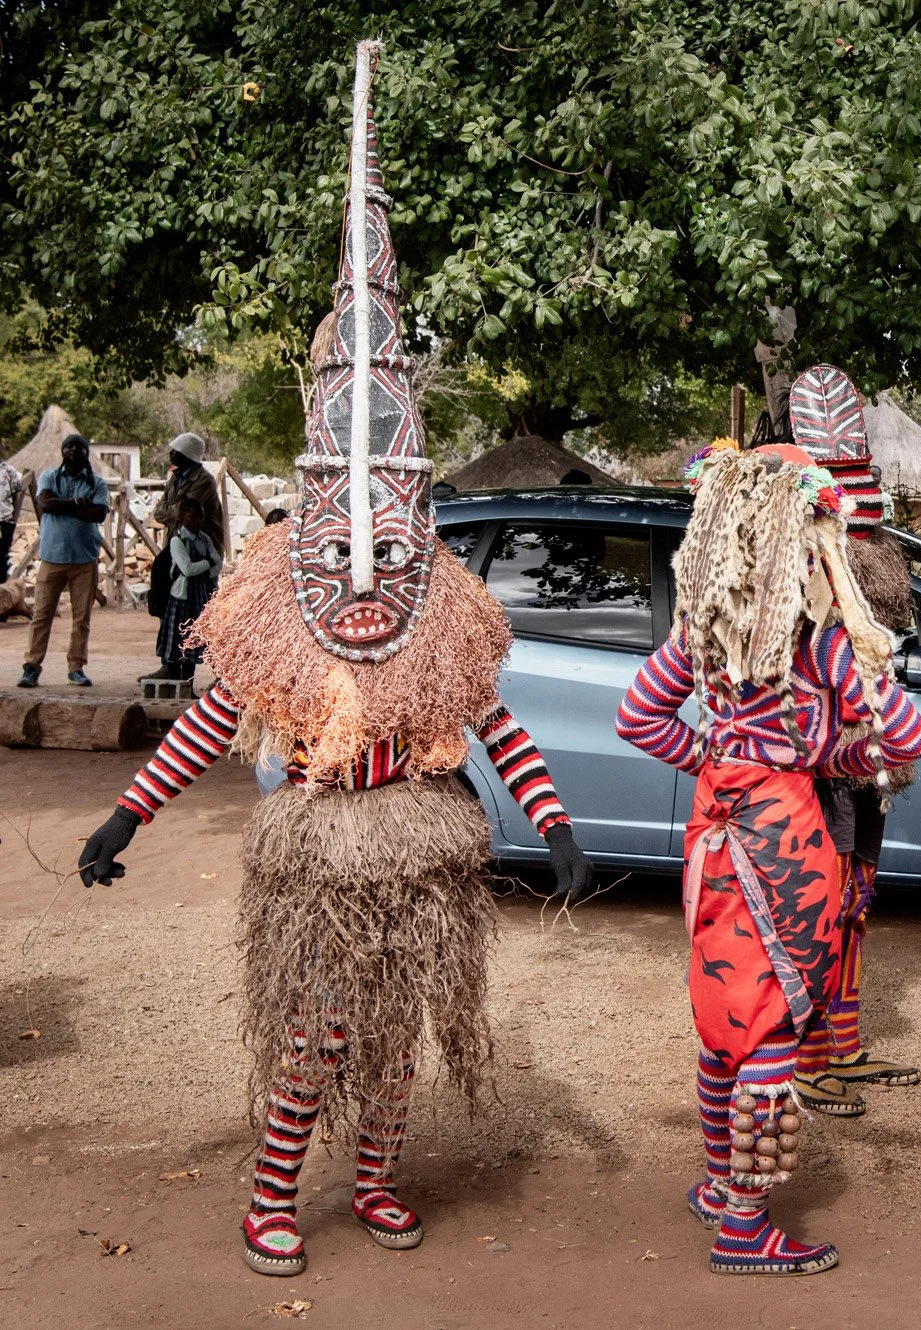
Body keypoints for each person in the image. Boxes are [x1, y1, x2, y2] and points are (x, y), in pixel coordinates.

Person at [73, 40, 591, 1279]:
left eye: (386, 536)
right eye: (342, 537)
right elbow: (213, 721)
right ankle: (271, 1202)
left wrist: (555, 821)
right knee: (311, 1031)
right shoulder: (271, 603)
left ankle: (373, 1183)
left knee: (400, 1036)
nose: (363, 575)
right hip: (318, 853)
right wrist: (123, 819)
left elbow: (492, 721)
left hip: (416, 848)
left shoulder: (450, 610)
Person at [615, 441, 921, 1277]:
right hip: (785, 843)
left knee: (725, 1022)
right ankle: (745, 1232)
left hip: (714, 838)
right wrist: (821, 744)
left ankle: (721, 1188)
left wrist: (724, 757)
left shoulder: (703, 635)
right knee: (774, 1028)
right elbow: (904, 739)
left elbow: (638, 718)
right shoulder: (818, 645)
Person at [783, 364, 921, 1116]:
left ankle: (842, 1045)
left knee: (857, 898)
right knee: (827, 901)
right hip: (818, 765)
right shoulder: (798, 568)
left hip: (863, 763)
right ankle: (806, 1060)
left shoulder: (868, 559)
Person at [20, 431, 109, 688]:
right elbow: (46, 506)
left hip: (84, 559)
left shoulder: (97, 483)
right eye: (68, 446)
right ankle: (31, 667)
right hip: (52, 556)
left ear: (85, 453)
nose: (72, 450)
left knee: (81, 618)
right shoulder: (49, 475)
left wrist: (65, 505)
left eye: (78, 447)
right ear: (62, 451)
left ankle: (76, 668)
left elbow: (98, 514)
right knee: (42, 614)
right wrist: (78, 503)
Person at [145, 498, 220, 682]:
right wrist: (206, 563)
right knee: (176, 641)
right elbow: (187, 569)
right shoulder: (178, 541)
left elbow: (217, 564)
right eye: (193, 517)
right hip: (182, 597)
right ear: (182, 518)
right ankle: (172, 682)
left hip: (201, 597)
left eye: (200, 518)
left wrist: (204, 566)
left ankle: (187, 685)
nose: (197, 522)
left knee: (192, 642)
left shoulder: (205, 539)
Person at [158, 431, 227, 556]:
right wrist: (174, 513)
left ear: (187, 455)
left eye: (175, 451)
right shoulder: (175, 479)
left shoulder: (204, 481)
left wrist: (170, 513)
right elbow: (158, 513)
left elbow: (186, 514)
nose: (170, 454)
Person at [0, 455, 23, 584]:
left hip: (4, 522)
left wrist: (11, 518)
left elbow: (16, 495)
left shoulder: (9, 471)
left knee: (2, 557)